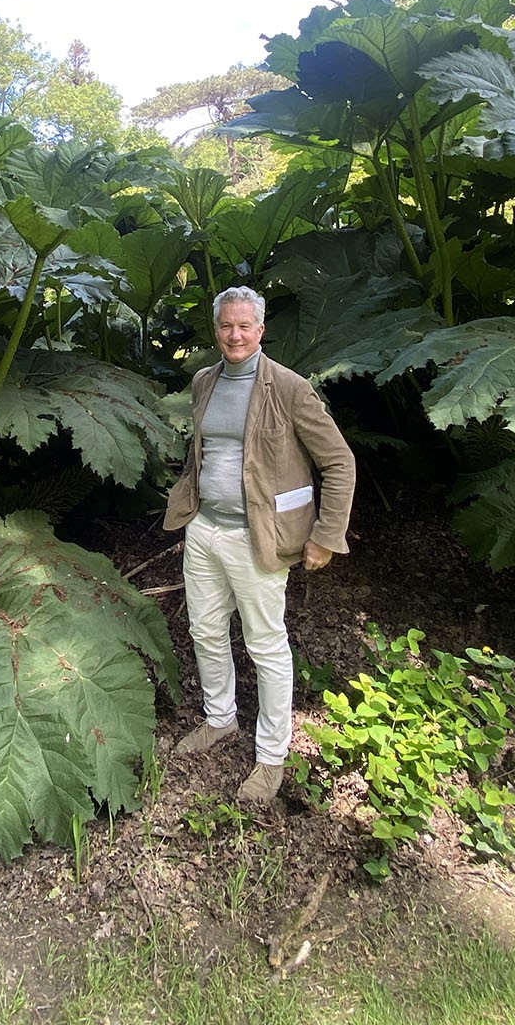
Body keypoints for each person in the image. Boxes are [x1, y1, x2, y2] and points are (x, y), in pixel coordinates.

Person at [162, 284, 356, 807]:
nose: (235, 335)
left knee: (266, 647)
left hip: (260, 539)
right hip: (205, 531)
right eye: (226, 325)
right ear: (216, 329)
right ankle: (220, 720)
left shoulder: (289, 389)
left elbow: (339, 462)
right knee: (205, 631)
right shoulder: (205, 381)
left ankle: (271, 757)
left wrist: (324, 536)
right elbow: (205, 451)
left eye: (245, 326)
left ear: (261, 330)